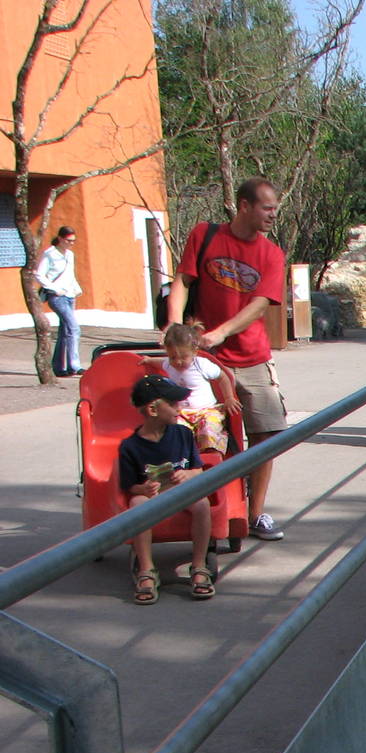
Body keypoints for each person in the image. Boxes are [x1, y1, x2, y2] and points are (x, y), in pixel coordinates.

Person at [166, 177, 288, 542]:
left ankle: (255, 513)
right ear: (245, 205)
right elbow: (183, 281)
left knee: (267, 434)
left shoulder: (271, 254)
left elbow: (260, 304)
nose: (272, 215)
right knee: (208, 435)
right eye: (266, 208)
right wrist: (174, 327)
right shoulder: (205, 235)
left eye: (275, 209)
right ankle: (215, 510)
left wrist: (223, 331)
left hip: (251, 356)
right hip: (204, 357)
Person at [119, 376, 216, 603]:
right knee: (137, 504)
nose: (179, 408)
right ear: (153, 409)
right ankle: (146, 569)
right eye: (173, 404)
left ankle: (199, 565)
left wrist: (188, 474)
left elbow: (198, 470)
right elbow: (128, 485)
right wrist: (143, 487)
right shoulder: (130, 446)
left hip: (181, 491)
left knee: (202, 504)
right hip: (152, 495)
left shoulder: (183, 434)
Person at [141, 323, 240, 454]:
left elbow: (223, 377)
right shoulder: (169, 364)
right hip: (182, 412)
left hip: (206, 410)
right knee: (173, 430)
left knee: (209, 429)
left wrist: (229, 398)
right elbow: (160, 362)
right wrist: (148, 360)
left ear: (194, 351)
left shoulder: (201, 364)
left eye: (183, 357)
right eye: (173, 357)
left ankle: (212, 458)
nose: (178, 362)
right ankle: (180, 459)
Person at [35, 226, 83, 377]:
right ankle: (75, 365)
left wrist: (76, 288)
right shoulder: (50, 254)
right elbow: (39, 275)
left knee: (65, 331)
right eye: (68, 240)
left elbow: (70, 275)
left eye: (73, 241)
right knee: (74, 328)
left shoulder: (70, 255)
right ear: (61, 239)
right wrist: (54, 288)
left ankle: (59, 367)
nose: (71, 243)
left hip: (70, 295)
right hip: (57, 296)